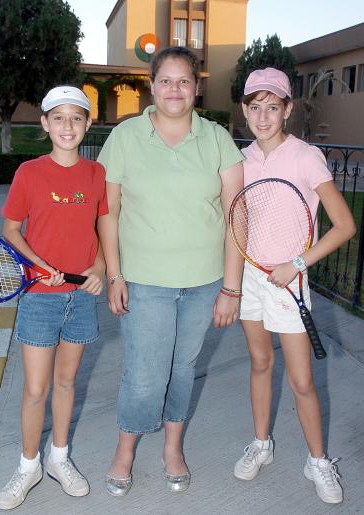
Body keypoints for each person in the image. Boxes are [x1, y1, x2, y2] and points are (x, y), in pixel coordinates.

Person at [97, 46, 244, 496]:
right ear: (152, 85)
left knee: (183, 369)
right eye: (166, 80)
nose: (174, 89)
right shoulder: (125, 137)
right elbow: (109, 212)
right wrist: (115, 275)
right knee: (144, 374)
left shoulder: (217, 137)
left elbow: (237, 214)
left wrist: (232, 288)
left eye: (184, 81)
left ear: (197, 88)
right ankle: (125, 450)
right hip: (144, 281)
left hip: (204, 282)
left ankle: (173, 448)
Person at [233, 67, 356, 504]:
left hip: (289, 280)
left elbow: (344, 225)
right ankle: (261, 444)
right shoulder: (242, 160)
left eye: (272, 107)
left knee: (302, 381)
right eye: (254, 107)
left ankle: (318, 460)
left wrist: (296, 264)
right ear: (244, 110)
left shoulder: (306, 156)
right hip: (251, 278)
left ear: (287, 109)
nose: (262, 116)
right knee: (260, 363)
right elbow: (240, 222)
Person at [0, 86, 108, 510]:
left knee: (66, 382)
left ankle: (59, 458)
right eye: (58, 118)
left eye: (76, 118)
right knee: (36, 389)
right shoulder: (29, 172)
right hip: (40, 297)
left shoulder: (96, 175)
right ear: (44, 124)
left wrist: (98, 269)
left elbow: (102, 231)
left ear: (87, 124)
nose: (67, 126)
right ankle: (29, 466)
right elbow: (10, 229)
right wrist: (38, 263)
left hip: (80, 298)